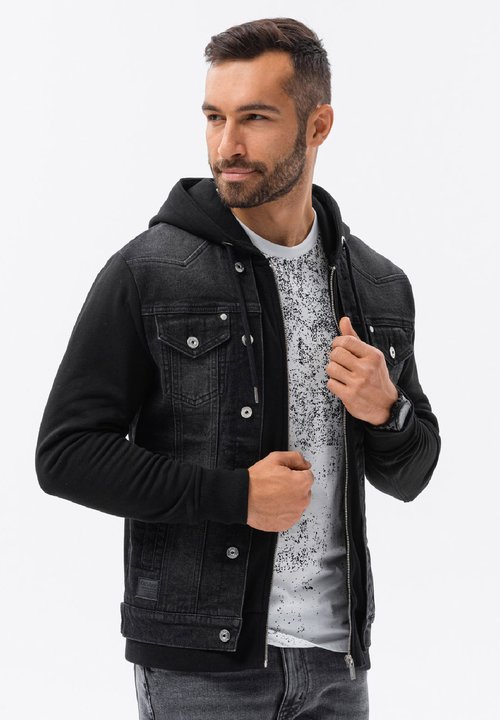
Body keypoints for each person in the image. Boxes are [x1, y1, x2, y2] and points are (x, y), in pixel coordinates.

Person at [36, 17, 440, 720]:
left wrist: (388, 410)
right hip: (203, 670)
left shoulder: (377, 284)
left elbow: (412, 474)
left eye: (254, 118)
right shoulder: (149, 271)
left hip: (337, 667)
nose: (227, 145)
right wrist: (234, 496)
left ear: (318, 126)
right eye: (214, 117)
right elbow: (65, 455)